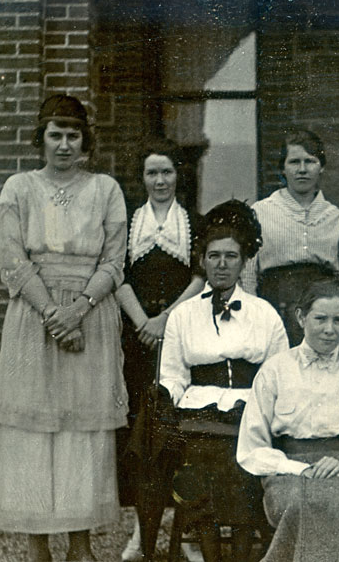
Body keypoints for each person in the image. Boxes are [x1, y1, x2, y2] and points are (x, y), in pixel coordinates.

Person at [0, 94, 127, 562]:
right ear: (41, 139)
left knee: (80, 431)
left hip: (90, 315)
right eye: (56, 135)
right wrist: (52, 312)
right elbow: (11, 258)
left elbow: (114, 261)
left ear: (85, 141)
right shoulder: (19, 188)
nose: (64, 145)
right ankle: (38, 547)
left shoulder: (106, 189)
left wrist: (78, 310)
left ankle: (80, 546)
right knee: (33, 428)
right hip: (34, 316)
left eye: (73, 135)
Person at [150, 199, 288, 562]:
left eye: (230, 256)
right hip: (198, 411)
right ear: (203, 261)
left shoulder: (264, 314)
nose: (222, 264)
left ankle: (241, 554)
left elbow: (278, 374)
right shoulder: (183, 315)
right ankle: (211, 555)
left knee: (244, 459)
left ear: (243, 262)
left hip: (249, 408)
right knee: (199, 458)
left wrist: (263, 409)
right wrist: (169, 400)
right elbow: (173, 374)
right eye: (214, 256)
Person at [236, 278, 339, 561]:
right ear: (301, 317)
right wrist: (295, 468)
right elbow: (252, 448)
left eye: (338, 320)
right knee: (298, 503)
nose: (329, 329)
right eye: (320, 319)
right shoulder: (275, 369)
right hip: (289, 471)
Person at [114, 138, 204, 562]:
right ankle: (141, 532)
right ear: (143, 177)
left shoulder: (194, 223)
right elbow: (117, 276)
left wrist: (166, 320)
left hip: (179, 336)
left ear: (178, 175)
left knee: (180, 431)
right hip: (138, 341)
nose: (160, 180)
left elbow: (200, 278)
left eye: (167, 171)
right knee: (141, 434)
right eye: (152, 172)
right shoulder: (128, 223)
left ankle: (186, 532)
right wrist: (143, 323)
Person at [240, 127, 339, 344]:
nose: (302, 169)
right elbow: (248, 274)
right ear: (282, 168)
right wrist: (255, 317)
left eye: (310, 161)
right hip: (274, 312)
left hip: (323, 316)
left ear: (321, 167)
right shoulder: (261, 213)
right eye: (294, 162)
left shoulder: (336, 218)